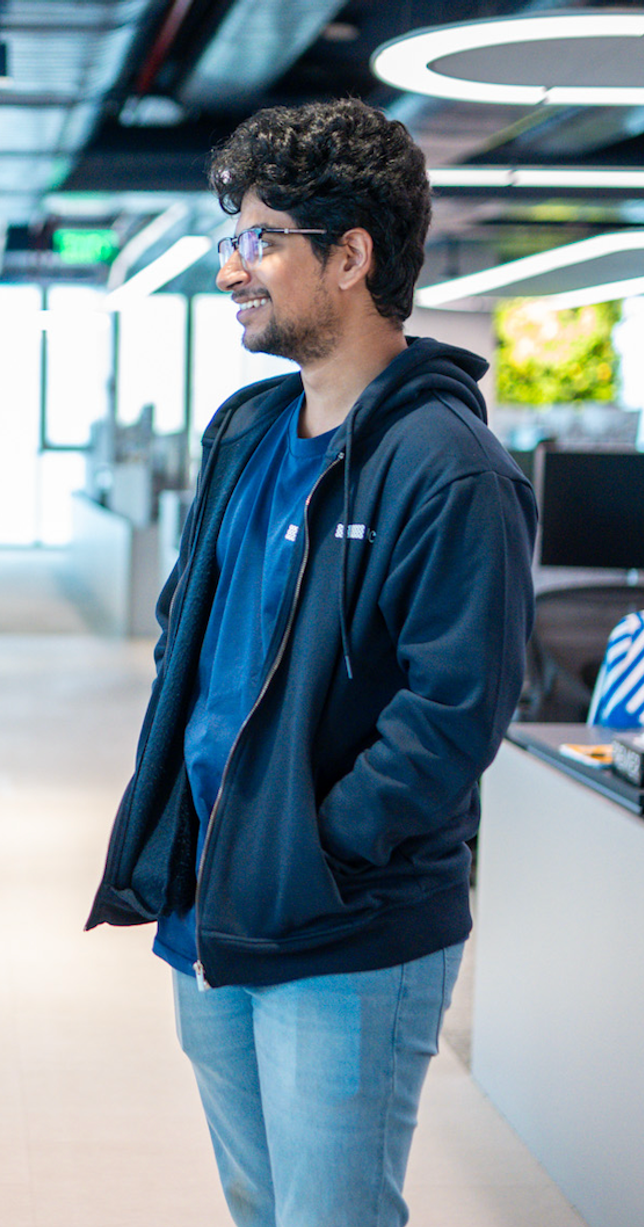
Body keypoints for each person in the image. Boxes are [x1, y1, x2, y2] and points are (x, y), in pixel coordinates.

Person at [87, 98, 536, 1227]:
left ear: (349, 257)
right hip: (216, 903)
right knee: (259, 1202)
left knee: (330, 1216)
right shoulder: (246, 431)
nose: (231, 265)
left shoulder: (448, 469)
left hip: (345, 926)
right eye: (230, 235)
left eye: (259, 238)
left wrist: (318, 847)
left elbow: (452, 716)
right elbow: (187, 629)